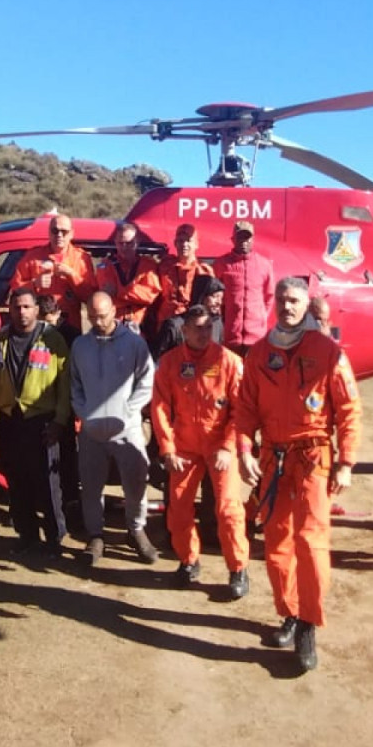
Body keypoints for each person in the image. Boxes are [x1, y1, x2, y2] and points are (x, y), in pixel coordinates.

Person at [236, 275, 361, 673]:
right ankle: (289, 612)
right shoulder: (259, 353)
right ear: (273, 302)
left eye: (294, 300)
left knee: (310, 542)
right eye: (281, 299)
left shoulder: (327, 352)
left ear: (306, 304)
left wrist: (346, 462)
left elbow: (349, 411)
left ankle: (309, 622)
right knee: (276, 544)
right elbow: (244, 409)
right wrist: (243, 449)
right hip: (274, 459)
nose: (287, 306)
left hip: (312, 458)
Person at [150, 304, 251, 598]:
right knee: (179, 508)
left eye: (209, 328)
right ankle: (188, 561)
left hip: (220, 446)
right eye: (197, 328)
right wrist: (167, 449)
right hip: (184, 447)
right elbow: (159, 408)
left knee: (228, 509)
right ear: (184, 331)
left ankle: (238, 569)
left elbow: (241, 409)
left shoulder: (229, 362)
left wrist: (228, 446)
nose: (203, 333)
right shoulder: (169, 363)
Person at [0, 286, 72, 555]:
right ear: (9, 309)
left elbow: (65, 384)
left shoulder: (52, 339)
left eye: (26, 307)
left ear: (36, 310)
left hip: (42, 422)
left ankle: (55, 538)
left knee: (47, 483)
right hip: (10, 420)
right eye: (16, 307)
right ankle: (26, 534)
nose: (21, 312)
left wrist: (60, 420)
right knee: (17, 481)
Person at [69, 290, 157, 565]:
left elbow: (147, 382)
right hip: (92, 430)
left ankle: (136, 530)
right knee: (91, 486)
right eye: (92, 316)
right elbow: (75, 385)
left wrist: (129, 412)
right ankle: (95, 535)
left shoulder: (134, 344)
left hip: (126, 428)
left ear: (115, 311)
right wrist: (83, 412)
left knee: (136, 484)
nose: (98, 321)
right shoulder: (80, 346)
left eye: (103, 316)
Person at [9, 214, 97, 340]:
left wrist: (72, 275)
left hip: (69, 325)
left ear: (71, 234)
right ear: (49, 232)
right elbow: (14, 290)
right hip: (37, 324)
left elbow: (91, 297)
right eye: (55, 230)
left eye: (64, 231)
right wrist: (34, 284)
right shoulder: (32, 257)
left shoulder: (81, 259)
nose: (59, 235)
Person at [215, 222, 275, 356]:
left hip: (256, 339)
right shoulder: (222, 264)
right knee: (231, 375)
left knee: (255, 375)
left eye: (247, 238)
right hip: (230, 337)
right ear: (233, 239)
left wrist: (261, 317)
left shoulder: (264, 265)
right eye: (240, 237)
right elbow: (215, 296)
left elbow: (270, 296)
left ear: (253, 239)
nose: (244, 242)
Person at [93, 222, 159, 327]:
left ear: (137, 242)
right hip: (113, 324)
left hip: (140, 324)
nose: (124, 247)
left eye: (129, 243)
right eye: (120, 243)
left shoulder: (148, 265)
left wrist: (119, 292)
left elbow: (149, 296)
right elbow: (107, 293)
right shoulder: (105, 265)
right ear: (115, 242)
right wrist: (135, 299)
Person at [156, 272, 225, 357]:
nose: (219, 302)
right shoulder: (174, 326)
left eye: (221, 298)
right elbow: (157, 360)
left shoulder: (217, 324)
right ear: (201, 296)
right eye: (215, 296)